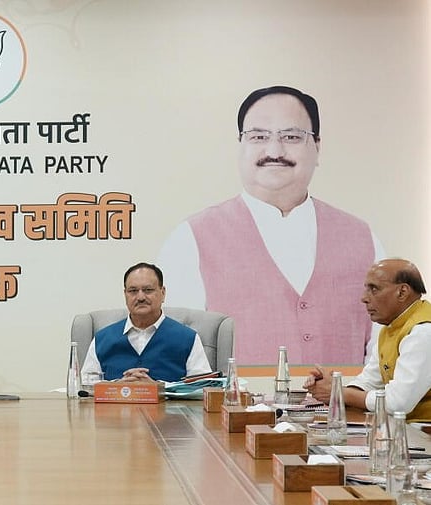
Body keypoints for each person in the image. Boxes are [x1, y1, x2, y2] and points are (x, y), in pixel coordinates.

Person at [157, 85, 384, 366]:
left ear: (317, 146)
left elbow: (384, 351)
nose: (275, 150)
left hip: (344, 397)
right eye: (258, 136)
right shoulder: (190, 239)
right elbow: (177, 356)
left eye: (291, 136)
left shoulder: (363, 239)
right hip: (235, 396)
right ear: (241, 145)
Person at [304, 259, 431, 422]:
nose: (364, 298)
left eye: (374, 289)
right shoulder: (390, 328)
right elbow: (370, 381)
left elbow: (398, 403)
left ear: (402, 292)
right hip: (404, 429)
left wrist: (339, 392)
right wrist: (332, 389)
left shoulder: (423, 331)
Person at [80, 262, 212, 383]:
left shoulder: (187, 338)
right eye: (133, 291)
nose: (140, 297)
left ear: (163, 293)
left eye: (148, 290)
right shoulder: (102, 339)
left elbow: (202, 388)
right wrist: (116, 388)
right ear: (125, 294)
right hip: (115, 403)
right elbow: (85, 389)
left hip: (168, 403)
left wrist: (158, 390)